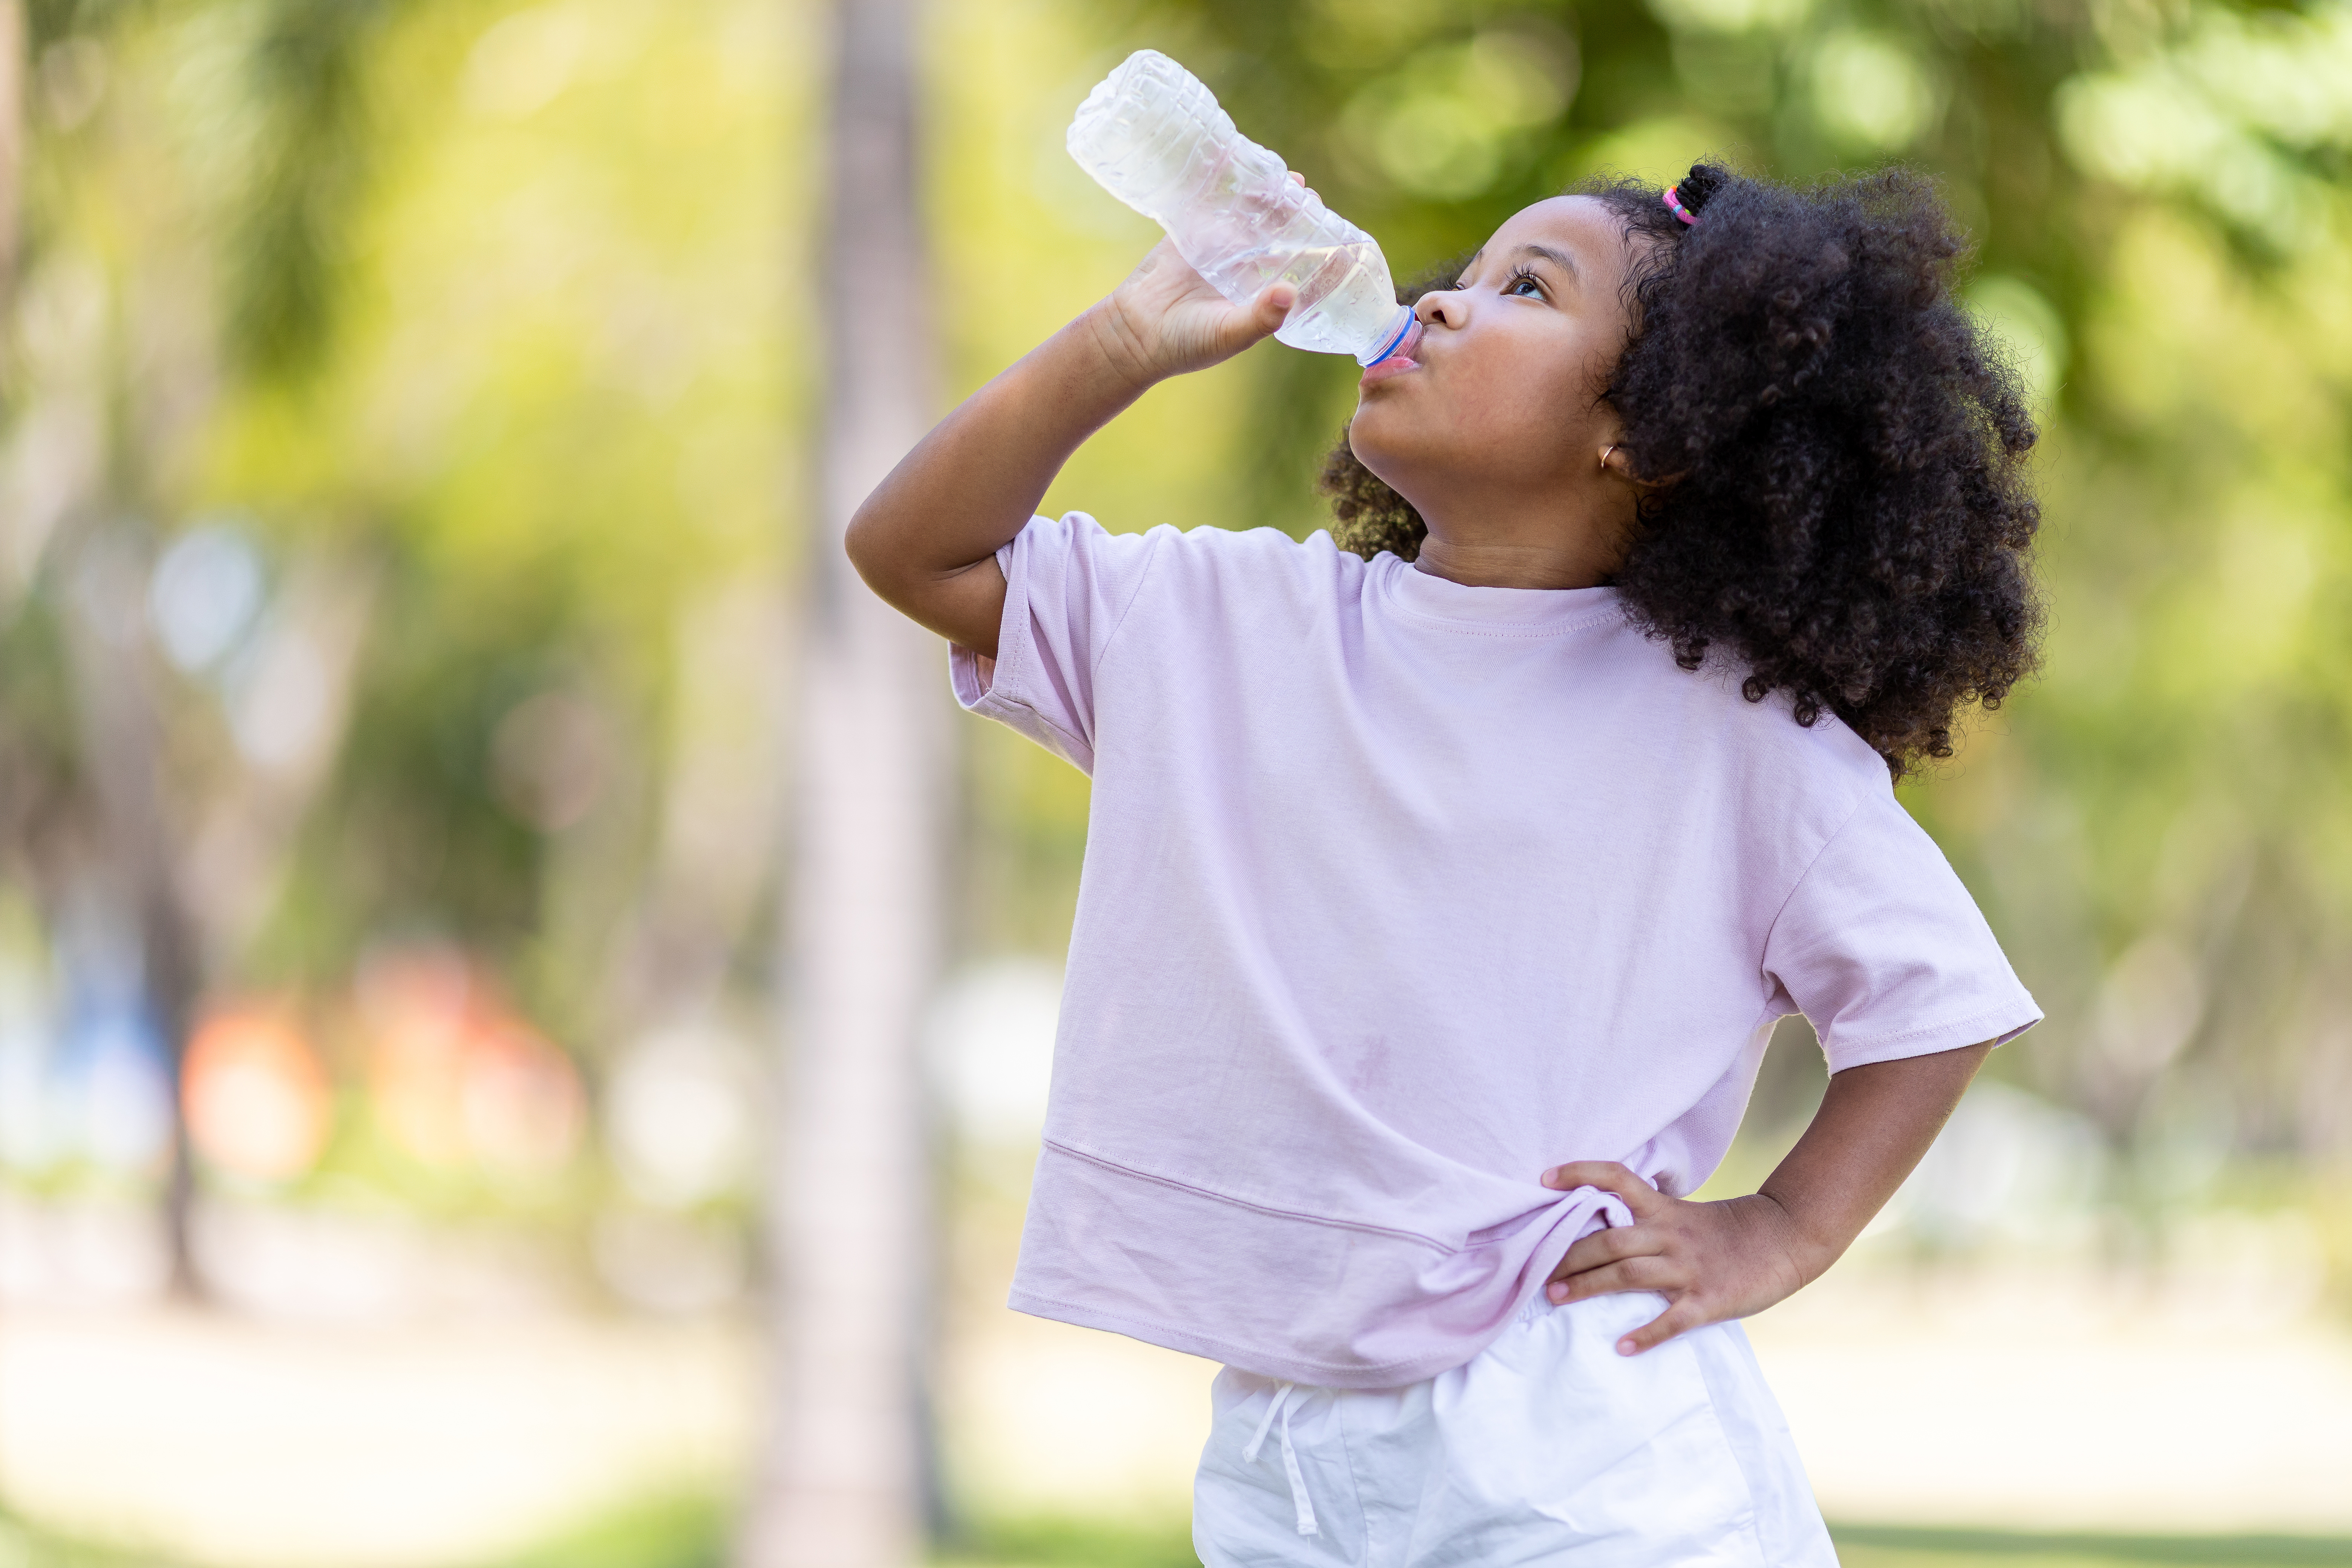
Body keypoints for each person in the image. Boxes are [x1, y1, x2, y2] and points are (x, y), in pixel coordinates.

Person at [847, 162, 2044, 1567]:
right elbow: (913, 551)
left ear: (1644, 434)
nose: (1443, 304)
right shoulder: (1233, 625)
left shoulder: (1734, 735)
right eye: (1461, 276)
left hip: (1582, 1430)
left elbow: (1937, 1003)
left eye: (1526, 288)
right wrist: (1124, 341)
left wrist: (1779, 1230)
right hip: (1287, 1437)